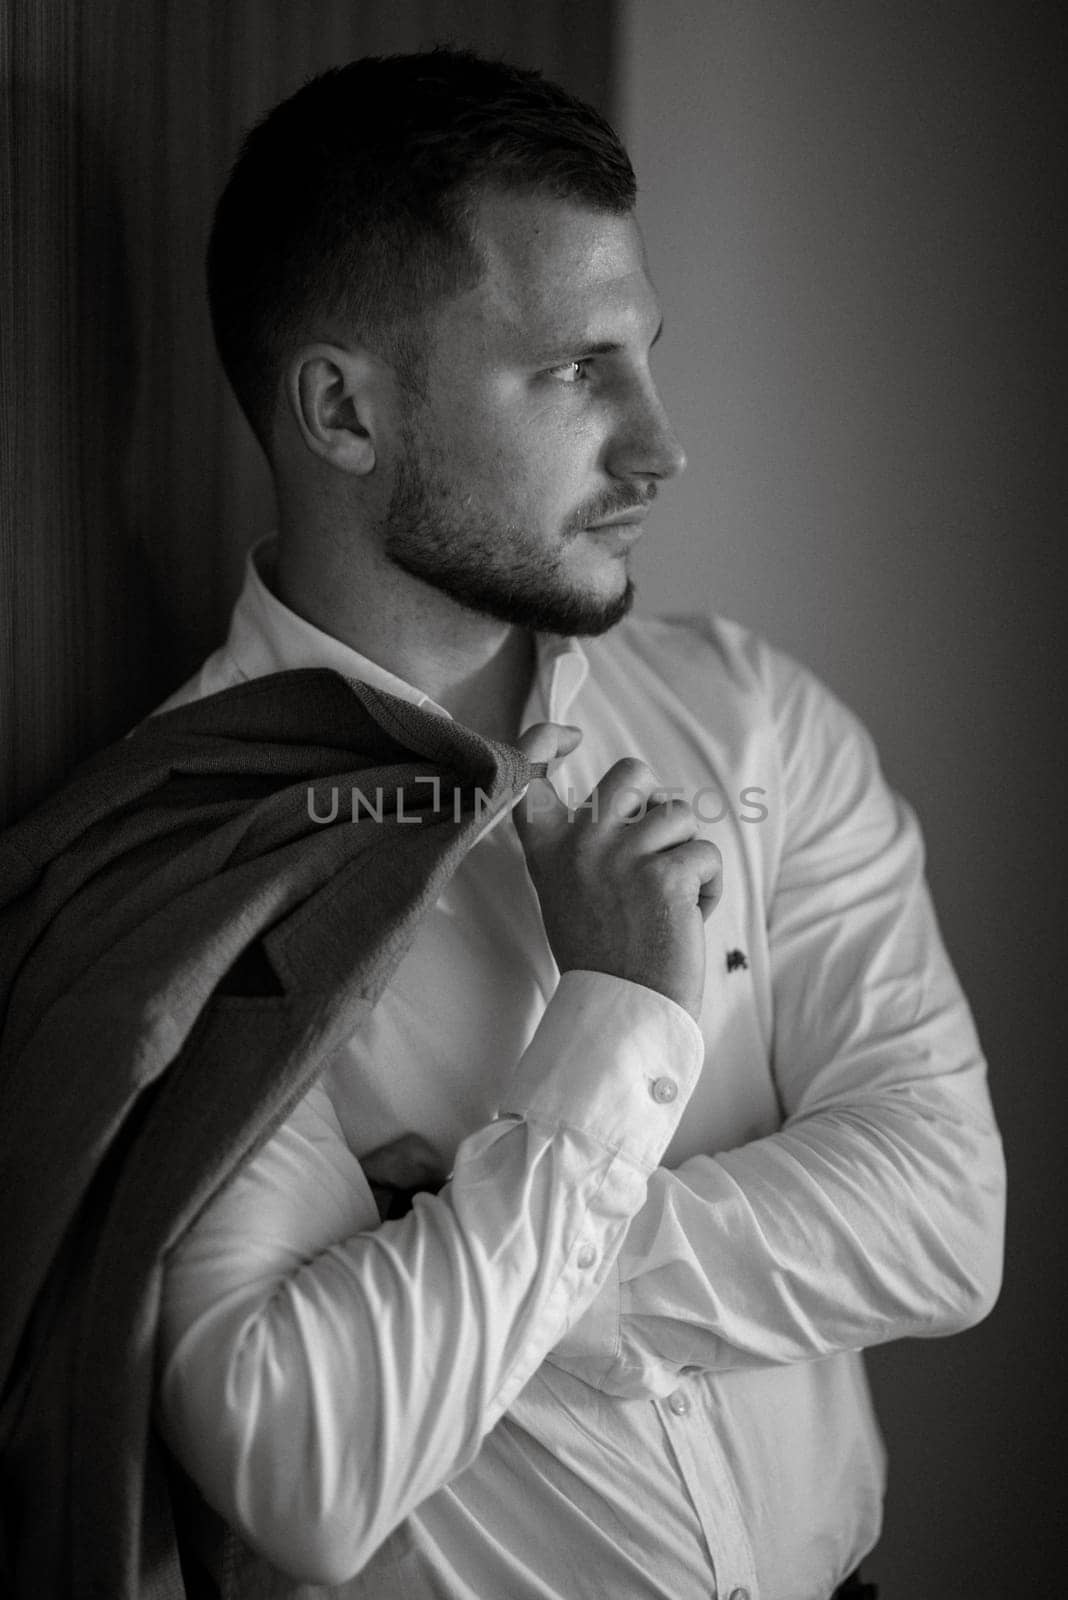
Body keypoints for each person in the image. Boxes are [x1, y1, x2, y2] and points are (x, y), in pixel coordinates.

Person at [149, 47, 1004, 1600]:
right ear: (343, 411)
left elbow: (946, 1224)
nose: (661, 447)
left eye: (647, 357)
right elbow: (309, 1470)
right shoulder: (183, 860)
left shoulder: (753, 722)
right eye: (572, 372)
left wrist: (458, 1243)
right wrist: (614, 1019)